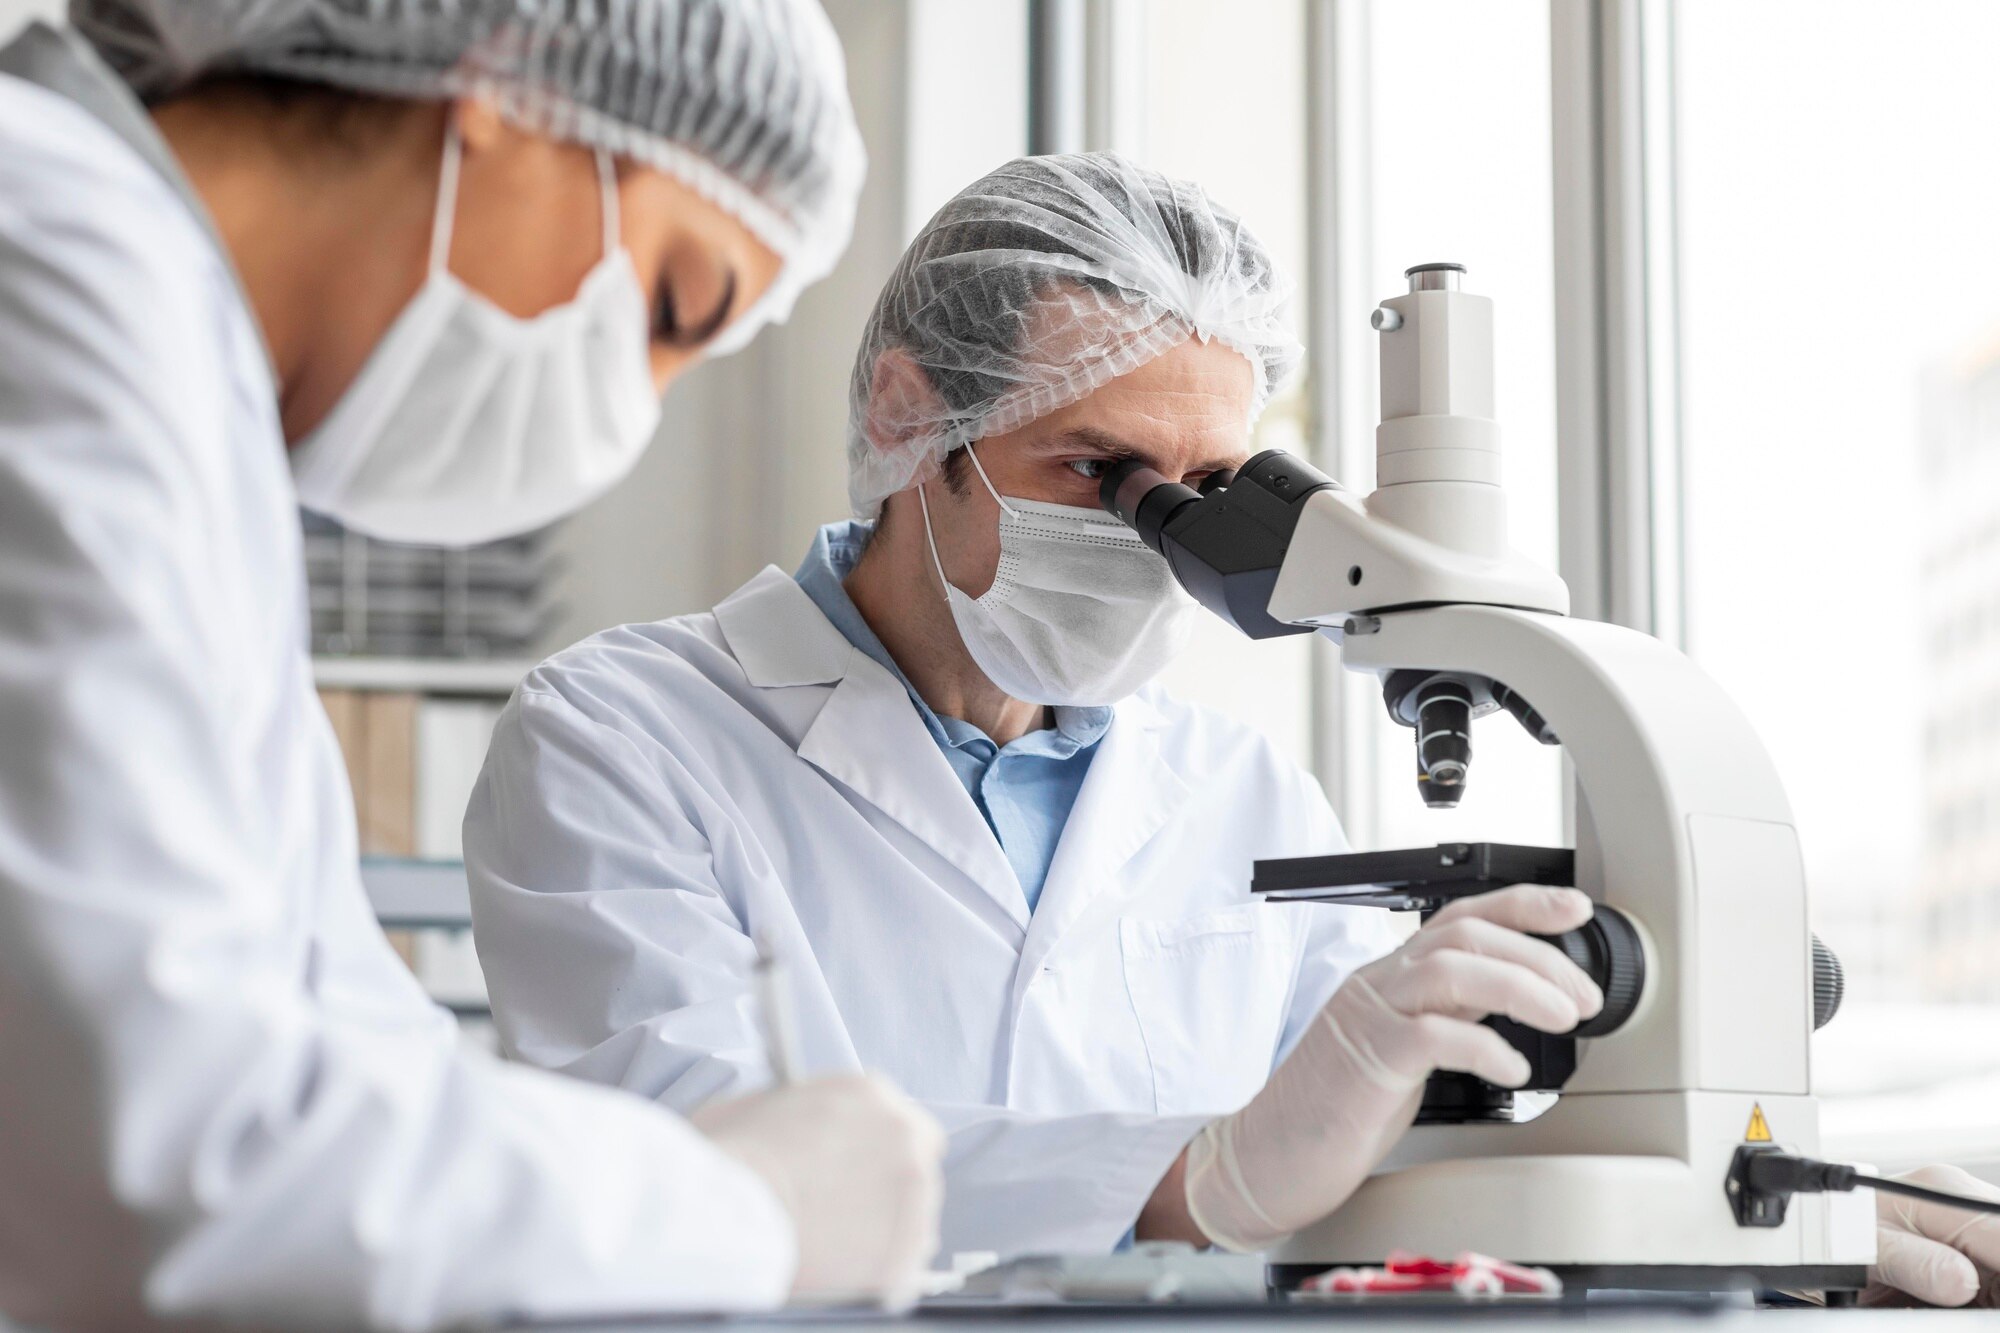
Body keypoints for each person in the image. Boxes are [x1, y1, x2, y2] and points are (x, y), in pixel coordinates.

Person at [464, 154, 2000, 1307]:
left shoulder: (1242, 785)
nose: (1153, 535)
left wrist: (1770, 1217)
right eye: (1095, 468)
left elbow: (1392, 1163)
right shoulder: (624, 737)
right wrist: (1192, 1174)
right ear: (906, 415)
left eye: (1195, 490)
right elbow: (701, 1168)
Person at [0, 3, 944, 1329]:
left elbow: (327, 1039)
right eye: (673, 303)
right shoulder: (53, 260)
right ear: (512, 81)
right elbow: (166, 1154)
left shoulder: (176, 375)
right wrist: (737, 1205)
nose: (634, 407)